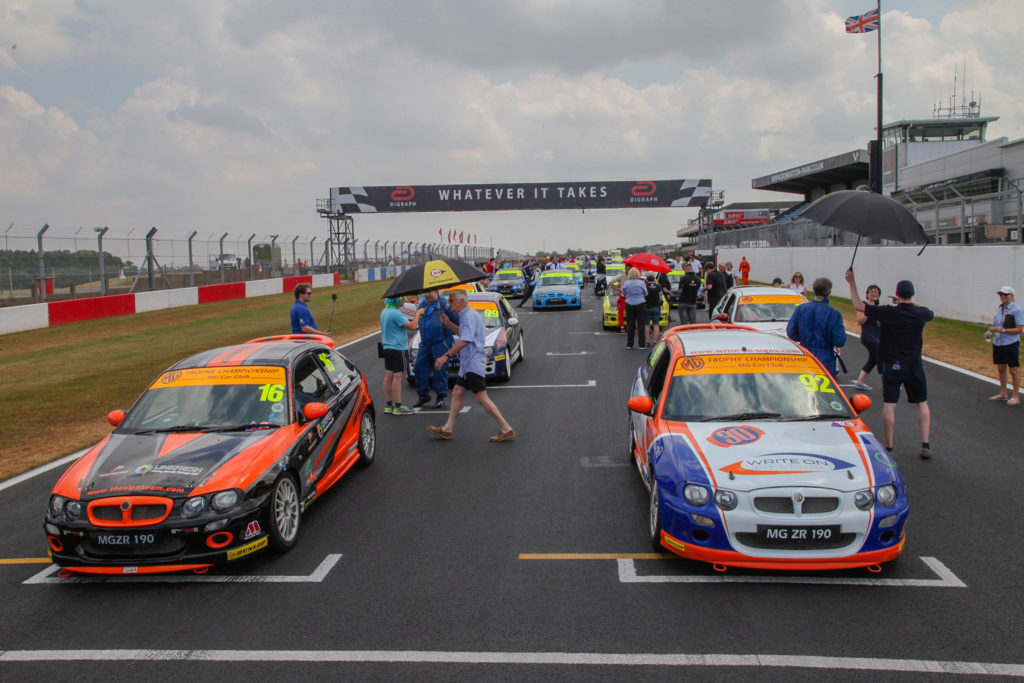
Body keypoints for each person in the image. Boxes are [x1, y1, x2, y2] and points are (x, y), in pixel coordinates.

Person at [846, 270, 934, 459]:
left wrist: (851, 282)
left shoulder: (888, 312)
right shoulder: (920, 313)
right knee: (922, 403)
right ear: (912, 294)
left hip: (892, 364)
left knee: (889, 405)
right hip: (914, 364)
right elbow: (929, 310)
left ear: (896, 294)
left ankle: (889, 446)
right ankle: (925, 444)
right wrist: (908, 301)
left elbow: (858, 305)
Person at [427, 289, 515, 442]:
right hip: (467, 363)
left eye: (452, 301)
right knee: (457, 392)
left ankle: (506, 428)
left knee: (481, 397)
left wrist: (446, 356)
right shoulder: (467, 315)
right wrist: (448, 323)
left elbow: (464, 340)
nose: (449, 304)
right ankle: (448, 429)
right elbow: (463, 334)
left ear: (461, 302)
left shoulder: (468, 317)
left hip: (473, 363)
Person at [786, 277, 846, 377]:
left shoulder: (801, 309)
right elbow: (839, 341)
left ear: (814, 290)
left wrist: (804, 337)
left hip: (806, 355)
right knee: (826, 386)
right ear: (829, 292)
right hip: (825, 358)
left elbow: (791, 333)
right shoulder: (834, 314)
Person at [412, 289, 459, 409]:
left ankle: (440, 396)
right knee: (418, 367)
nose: (427, 295)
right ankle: (423, 395)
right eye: (425, 292)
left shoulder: (445, 305)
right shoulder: (422, 305)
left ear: (436, 292)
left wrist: (449, 325)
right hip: (425, 343)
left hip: (441, 343)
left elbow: (457, 321)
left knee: (440, 369)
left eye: (430, 292)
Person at [380, 297, 418, 415]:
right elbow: (412, 326)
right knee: (398, 376)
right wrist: (418, 314)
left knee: (388, 375)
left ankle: (388, 405)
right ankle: (398, 406)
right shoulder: (396, 314)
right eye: (401, 300)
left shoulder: (384, 311)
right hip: (398, 348)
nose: (403, 302)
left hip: (387, 347)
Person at [987, 285, 1022, 405]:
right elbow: (995, 325)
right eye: (1001, 294)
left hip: (1010, 343)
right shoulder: (999, 309)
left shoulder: (1017, 310)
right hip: (998, 343)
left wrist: (1001, 330)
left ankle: (1016, 396)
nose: (1003, 296)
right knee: (1001, 369)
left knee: (1013, 370)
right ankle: (1003, 393)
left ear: (1012, 296)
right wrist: (989, 333)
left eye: (1005, 294)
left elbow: (1019, 330)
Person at [852, 284, 882, 390]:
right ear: (867, 294)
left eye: (876, 292)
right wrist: (869, 312)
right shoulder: (863, 306)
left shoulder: (879, 307)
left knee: (873, 360)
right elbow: (860, 321)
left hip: (878, 337)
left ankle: (860, 381)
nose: (874, 293)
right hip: (868, 337)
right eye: (872, 291)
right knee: (880, 357)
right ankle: (887, 381)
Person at [621, 267, 649, 349]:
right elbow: (646, 293)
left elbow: (624, 294)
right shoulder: (641, 283)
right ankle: (641, 345)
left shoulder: (626, 283)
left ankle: (629, 344)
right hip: (640, 304)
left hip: (629, 304)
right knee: (641, 324)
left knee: (630, 324)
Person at [644, 273, 664, 344]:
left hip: (647, 307)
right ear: (654, 278)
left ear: (647, 279)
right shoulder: (658, 286)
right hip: (656, 306)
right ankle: (655, 341)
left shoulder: (645, 286)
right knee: (656, 324)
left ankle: (647, 341)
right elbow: (661, 298)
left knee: (647, 324)